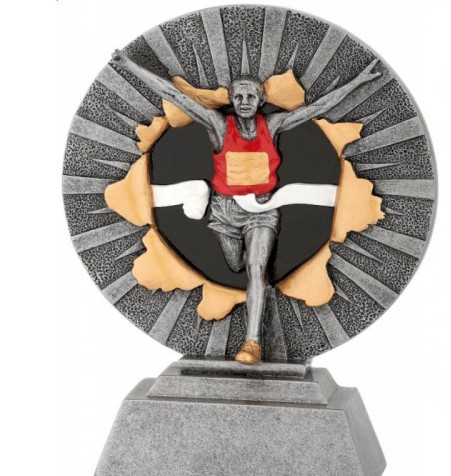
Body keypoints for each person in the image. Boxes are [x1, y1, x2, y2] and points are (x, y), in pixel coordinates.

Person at [112, 50, 381, 365]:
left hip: (262, 211)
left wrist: (358, 82)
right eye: (238, 96)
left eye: (250, 96)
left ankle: (252, 343)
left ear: (261, 99)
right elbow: (175, 96)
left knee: (256, 268)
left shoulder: (273, 125)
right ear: (231, 98)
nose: (243, 101)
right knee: (236, 264)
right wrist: (130, 66)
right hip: (224, 212)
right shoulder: (219, 126)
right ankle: (241, 268)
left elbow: (317, 108)